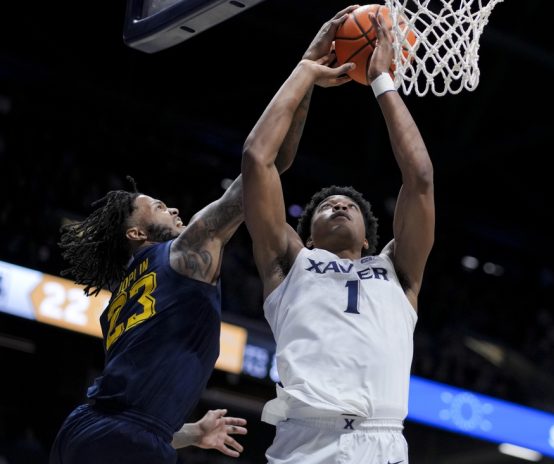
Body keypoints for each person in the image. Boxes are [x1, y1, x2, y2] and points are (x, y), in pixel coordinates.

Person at [50, 85, 308, 462]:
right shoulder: (186, 250)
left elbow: (131, 416)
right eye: (158, 207)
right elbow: (267, 163)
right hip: (122, 439)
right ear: (135, 234)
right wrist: (307, 73)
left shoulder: (119, 302)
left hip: (86, 430)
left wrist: (190, 433)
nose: (172, 209)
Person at [241, 6, 435, 464]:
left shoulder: (398, 272)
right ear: (307, 238)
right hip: (306, 441)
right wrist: (305, 69)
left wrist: (382, 81)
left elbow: (420, 178)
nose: (340, 204)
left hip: (382, 440)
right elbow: (256, 159)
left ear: (368, 240)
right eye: (326, 206)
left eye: (349, 205)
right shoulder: (290, 264)